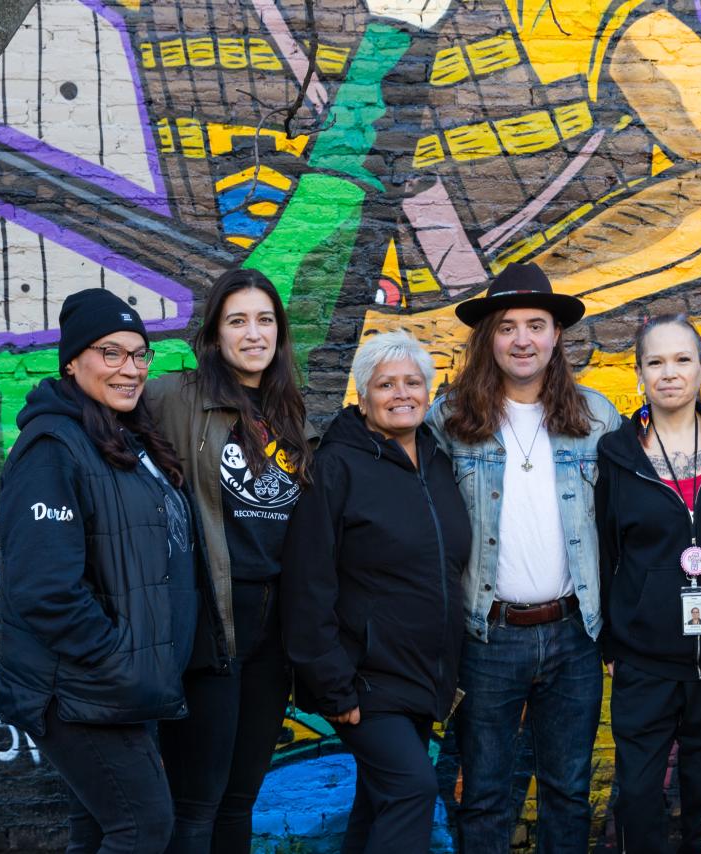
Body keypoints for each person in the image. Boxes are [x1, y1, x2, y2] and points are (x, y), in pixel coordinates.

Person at [425, 262, 621, 852]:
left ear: (556, 335)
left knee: (567, 790)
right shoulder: (450, 420)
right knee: (484, 792)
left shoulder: (596, 418)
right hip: (488, 635)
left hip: (574, 634)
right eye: (507, 327)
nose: (522, 340)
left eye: (535, 325)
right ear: (489, 338)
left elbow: (621, 530)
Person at [0, 289, 200, 853]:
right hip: (85, 685)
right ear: (72, 360)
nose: (130, 369)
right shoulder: (52, 449)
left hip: (124, 683)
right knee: (143, 826)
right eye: (111, 353)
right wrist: (117, 656)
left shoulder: (123, 439)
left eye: (140, 355)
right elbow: (44, 588)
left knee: (99, 827)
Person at [144, 268, 317, 852]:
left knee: (241, 800)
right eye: (237, 320)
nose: (253, 333)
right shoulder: (174, 397)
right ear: (216, 335)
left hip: (273, 633)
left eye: (265, 320)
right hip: (211, 624)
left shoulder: (290, 413)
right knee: (197, 803)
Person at [282, 329, 472, 852]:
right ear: (362, 398)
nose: (401, 393)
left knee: (378, 802)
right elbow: (307, 583)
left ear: (428, 392)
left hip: (421, 676)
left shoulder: (435, 462)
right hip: (364, 678)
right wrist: (333, 685)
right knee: (411, 791)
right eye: (386, 384)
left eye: (413, 382)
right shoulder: (337, 467)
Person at [596, 314, 701, 853]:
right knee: (638, 796)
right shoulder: (617, 456)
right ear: (639, 375)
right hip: (644, 662)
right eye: (655, 362)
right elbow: (605, 551)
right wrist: (613, 640)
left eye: (682, 360)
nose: (669, 373)